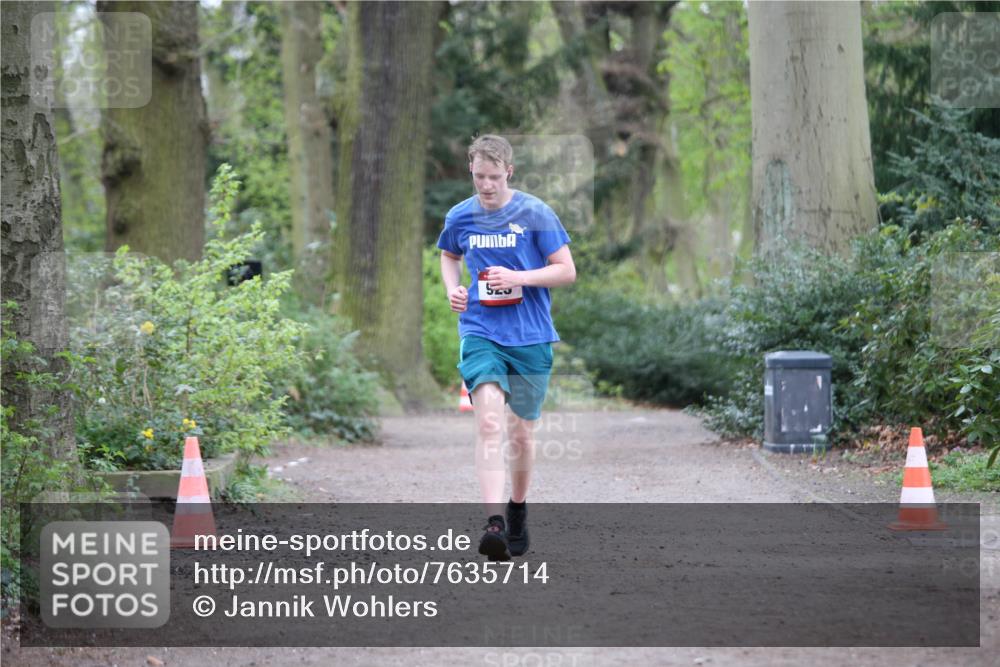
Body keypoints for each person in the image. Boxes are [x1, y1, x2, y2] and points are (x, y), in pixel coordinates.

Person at [437, 135, 576, 560]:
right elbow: (448, 255)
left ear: (509, 173)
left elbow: (566, 271)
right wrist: (453, 290)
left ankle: (517, 508)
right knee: (490, 424)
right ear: (472, 172)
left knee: (520, 433)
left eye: (494, 177)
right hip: (480, 330)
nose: (487, 185)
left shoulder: (535, 213)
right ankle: (494, 521)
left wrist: (519, 278)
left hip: (531, 336)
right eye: (479, 176)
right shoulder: (461, 216)